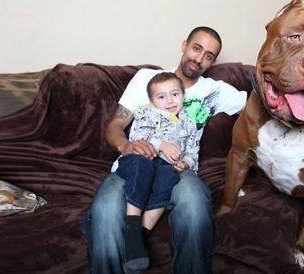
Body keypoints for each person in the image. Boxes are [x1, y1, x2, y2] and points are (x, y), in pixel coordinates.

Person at [81, 26, 248, 274]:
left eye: (209, 55)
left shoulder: (216, 91)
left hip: (179, 167)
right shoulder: (147, 79)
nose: (200, 58)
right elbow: (115, 125)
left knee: (194, 202)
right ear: (184, 45)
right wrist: (126, 145)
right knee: (105, 206)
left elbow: (261, 104)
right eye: (197, 48)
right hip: (138, 160)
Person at [115, 72, 200, 272]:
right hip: (141, 160)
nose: (170, 101)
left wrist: (186, 163)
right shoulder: (147, 113)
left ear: (183, 95)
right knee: (142, 167)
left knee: (170, 177)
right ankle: (133, 226)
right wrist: (161, 144)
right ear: (152, 101)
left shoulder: (189, 122)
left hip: (166, 167)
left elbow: (193, 151)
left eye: (175, 94)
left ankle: (138, 238)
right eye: (161, 97)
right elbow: (137, 137)